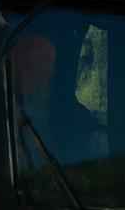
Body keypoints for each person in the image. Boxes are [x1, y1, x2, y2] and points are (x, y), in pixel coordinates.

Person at [10, 32, 105, 166]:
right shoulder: (2, 120)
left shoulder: (78, 121)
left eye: (46, 62)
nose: (40, 73)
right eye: (30, 64)